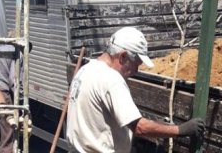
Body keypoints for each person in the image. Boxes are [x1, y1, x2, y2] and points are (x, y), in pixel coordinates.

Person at [67, 27, 205, 153]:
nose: (136, 70)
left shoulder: (85, 70)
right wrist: (181, 130)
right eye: (136, 64)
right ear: (122, 56)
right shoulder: (111, 80)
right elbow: (140, 127)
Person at [0, 43, 32, 153]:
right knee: (8, 134)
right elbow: (15, 81)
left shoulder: (2, 49)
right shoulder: (18, 53)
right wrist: (22, 101)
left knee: (0, 128)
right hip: (1, 92)